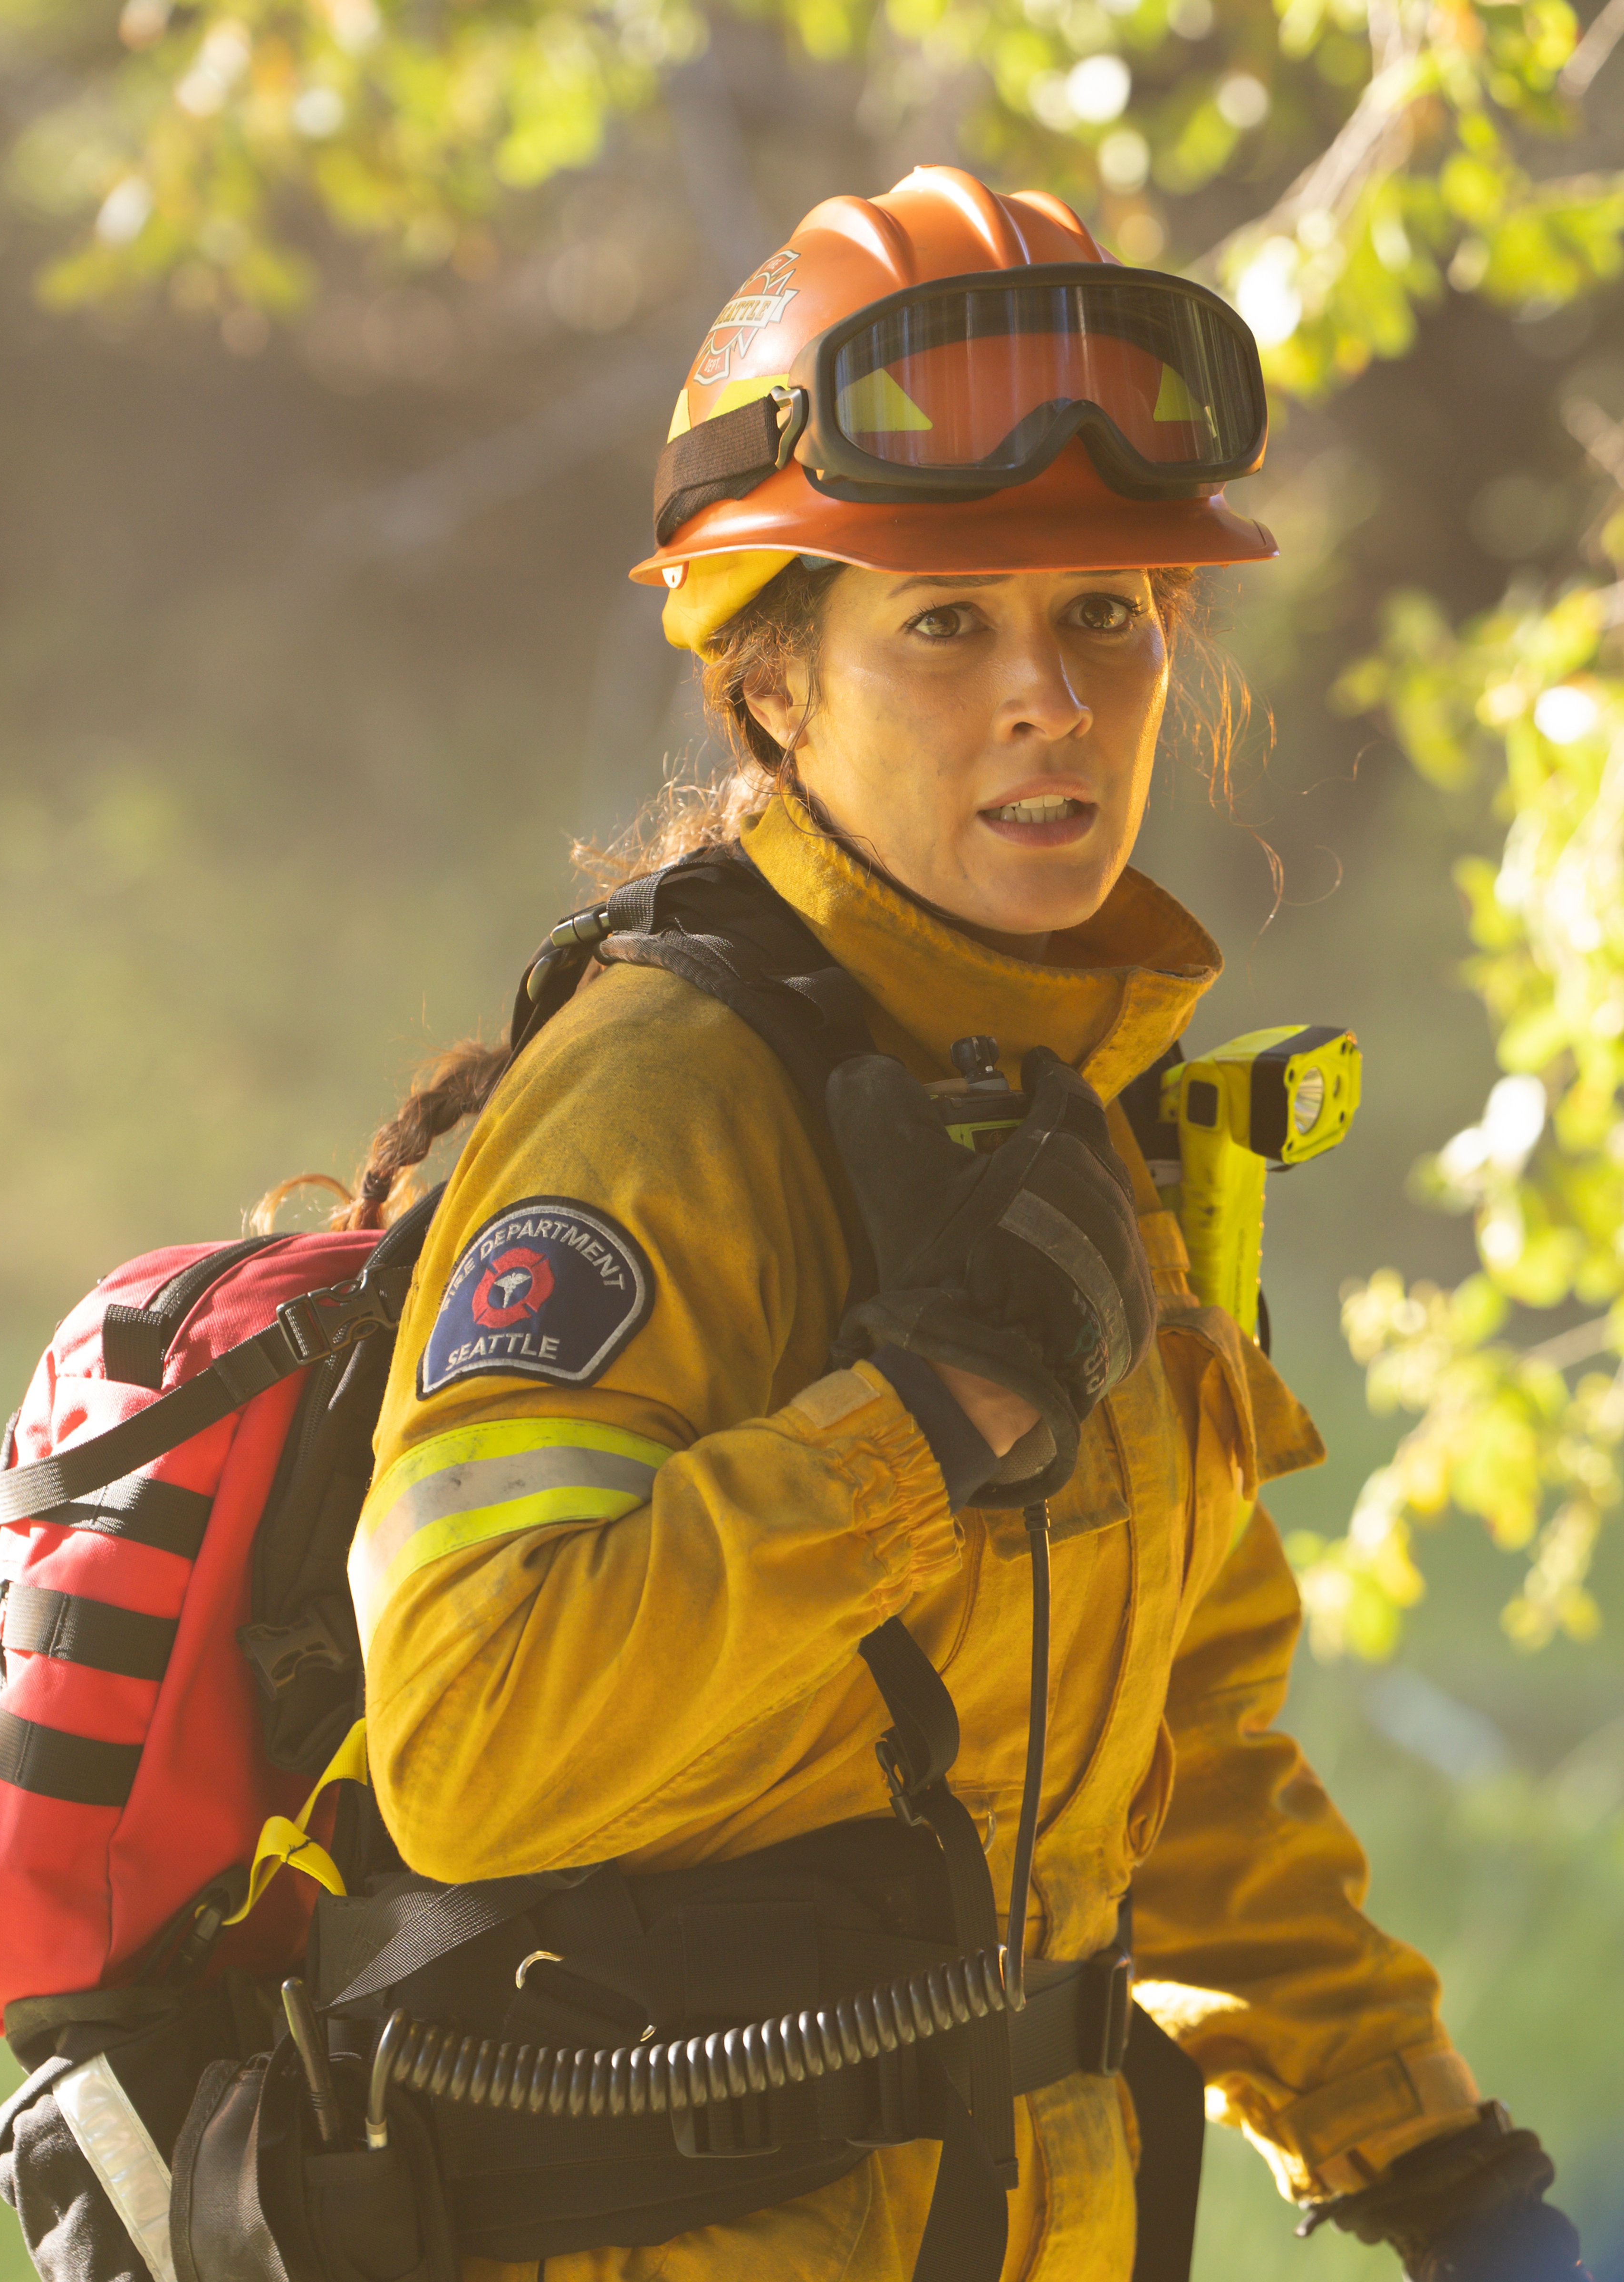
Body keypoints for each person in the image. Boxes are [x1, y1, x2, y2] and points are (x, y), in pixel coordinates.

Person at [338, 169, 1586, 2282]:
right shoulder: (661, 1110)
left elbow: (1170, 1743)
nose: (1051, 695)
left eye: (1105, 612)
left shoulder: (1061, 1110)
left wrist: (1430, 2162)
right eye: (945, 623)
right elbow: (472, 1750)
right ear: (776, 689)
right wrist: (925, 1417)